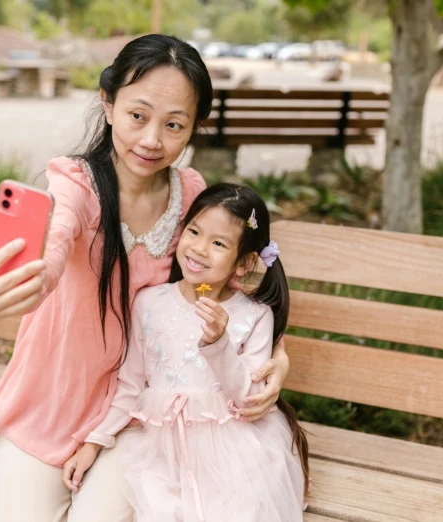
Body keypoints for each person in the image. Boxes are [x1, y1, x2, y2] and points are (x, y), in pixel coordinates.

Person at [0, 34, 292, 522]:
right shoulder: (73, 183)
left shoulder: (190, 194)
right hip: (51, 402)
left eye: (174, 125)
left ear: (194, 128)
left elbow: (231, 291)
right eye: (138, 115)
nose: (152, 140)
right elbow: (51, 250)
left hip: (139, 417)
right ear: (107, 104)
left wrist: (278, 359)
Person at [62, 183, 309, 522]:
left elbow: (249, 399)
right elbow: (131, 385)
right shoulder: (150, 302)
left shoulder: (254, 316)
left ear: (245, 262)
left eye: (219, 243)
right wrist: (94, 442)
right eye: (194, 231)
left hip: (230, 452)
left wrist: (218, 343)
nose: (200, 248)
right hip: (159, 450)